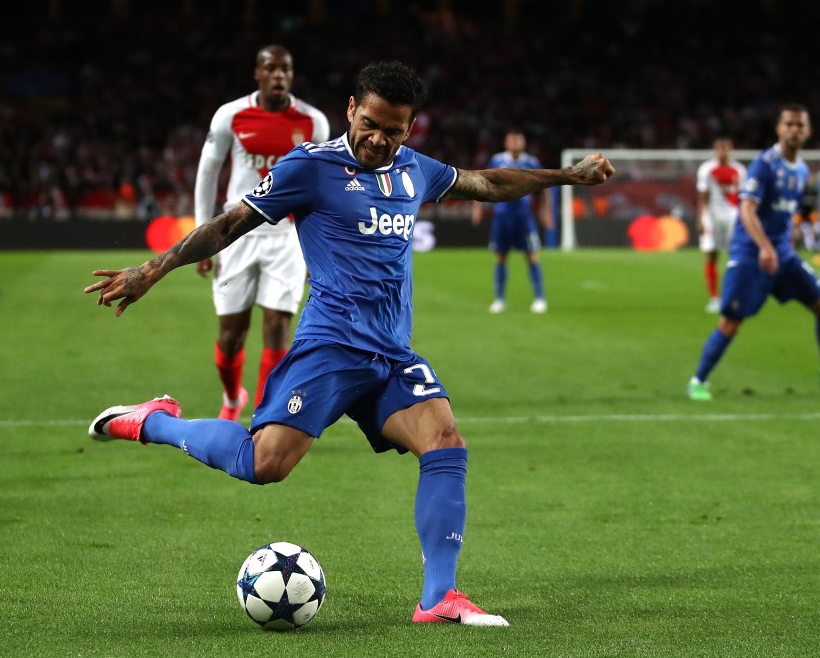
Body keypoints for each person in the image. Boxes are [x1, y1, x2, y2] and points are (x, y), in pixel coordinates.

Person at [85, 61, 614, 626]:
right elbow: (230, 222)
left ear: (410, 128)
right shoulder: (310, 167)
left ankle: (438, 597)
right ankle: (153, 421)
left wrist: (567, 176)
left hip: (391, 353)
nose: (379, 139)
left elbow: (487, 184)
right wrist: (153, 269)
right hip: (331, 347)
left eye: (394, 130)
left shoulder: (415, 170)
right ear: (351, 110)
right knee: (263, 463)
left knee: (445, 442)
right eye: (370, 124)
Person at [686, 104, 820, 401]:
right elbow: (747, 210)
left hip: (783, 255)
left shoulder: (802, 170)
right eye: (789, 124)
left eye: (800, 125)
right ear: (779, 129)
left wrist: (791, 231)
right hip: (750, 255)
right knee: (731, 321)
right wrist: (765, 247)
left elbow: (784, 211)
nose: (794, 129)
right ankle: (698, 381)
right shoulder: (765, 164)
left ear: (808, 131)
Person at [194, 45, 330, 421]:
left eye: (285, 69)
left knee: (278, 326)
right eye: (271, 68)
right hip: (236, 232)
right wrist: (203, 238)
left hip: (287, 236)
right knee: (231, 334)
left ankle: (263, 417)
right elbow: (207, 173)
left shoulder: (313, 122)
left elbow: (320, 187)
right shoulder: (231, 115)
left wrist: (316, 248)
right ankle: (232, 397)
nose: (279, 75)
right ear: (258, 73)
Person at [470, 130, 552, 313]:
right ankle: (499, 299)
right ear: (506, 143)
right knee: (501, 256)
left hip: (524, 217)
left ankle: (539, 298)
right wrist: (477, 208)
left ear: (523, 143)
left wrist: (546, 212)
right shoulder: (497, 160)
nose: (515, 143)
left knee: (532, 256)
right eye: (512, 140)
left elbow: (544, 188)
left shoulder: (531, 162)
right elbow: (481, 183)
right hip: (502, 216)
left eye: (518, 140)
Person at [695, 136, 747, 314]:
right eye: (720, 148)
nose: (723, 151)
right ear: (715, 150)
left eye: (727, 148)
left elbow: (744, 197)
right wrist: (701, 218)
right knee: (712, 254)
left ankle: (733, 295)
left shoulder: (739, 170)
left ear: (731, 150)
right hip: (713, 216)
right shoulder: (706, 169)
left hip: (734, 216)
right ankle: (714, 298)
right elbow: (703, 196)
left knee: (737, 255)